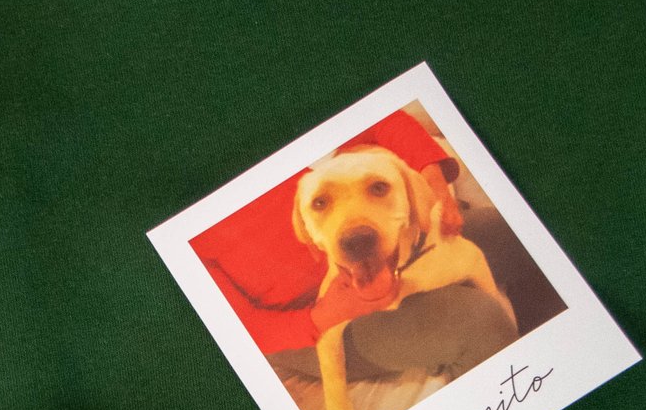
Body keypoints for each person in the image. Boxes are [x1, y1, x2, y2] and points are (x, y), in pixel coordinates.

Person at [191, 109, 519, 386]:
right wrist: (323, 316)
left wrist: (434, 183)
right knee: (476, 321)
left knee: (512, 233)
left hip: (398, 242)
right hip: (310, 318)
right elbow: (235, 329)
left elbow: (382, 119)